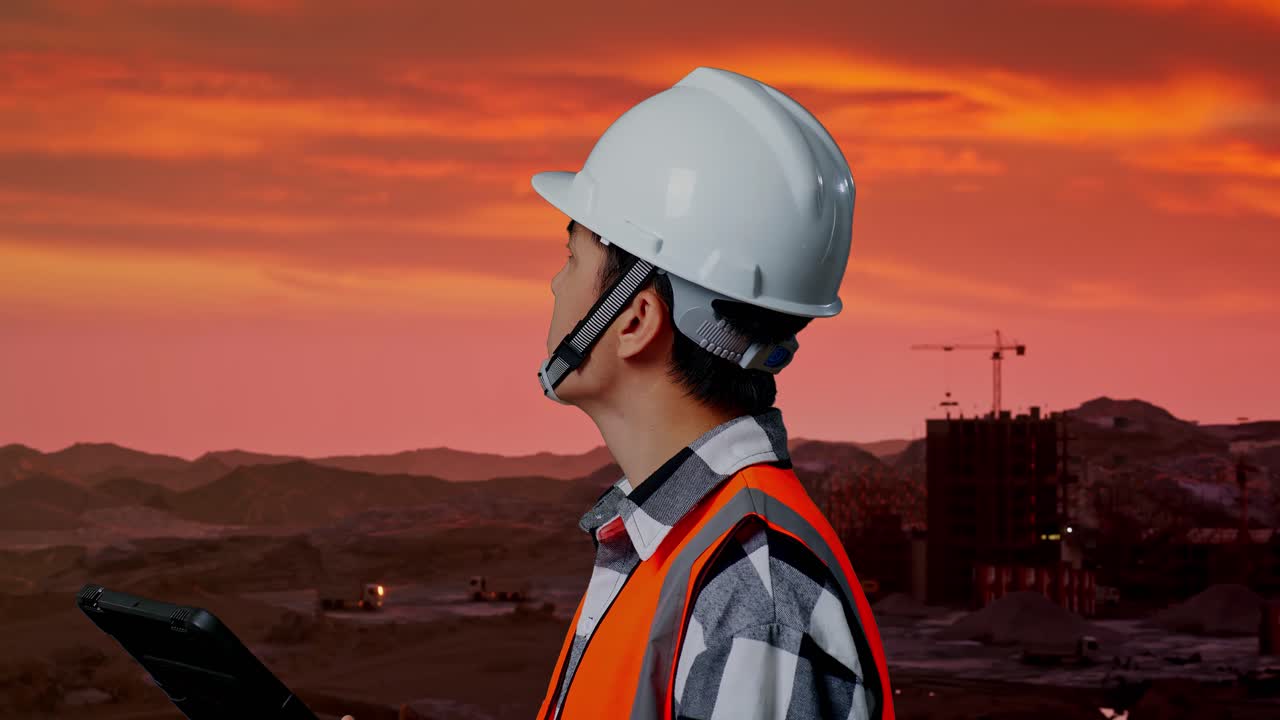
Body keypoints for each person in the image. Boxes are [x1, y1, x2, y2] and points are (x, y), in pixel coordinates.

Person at [532, 67, 894, 719]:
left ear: (635, 318)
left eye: (572, 258)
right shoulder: (675, 547)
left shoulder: (751, 591)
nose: (555, 288)